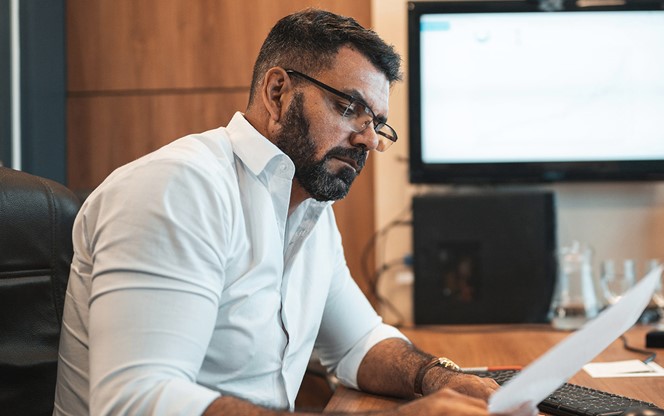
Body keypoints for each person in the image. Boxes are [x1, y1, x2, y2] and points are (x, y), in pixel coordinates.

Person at [53, 8, 536, 416]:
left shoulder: (307, 209)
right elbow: (135, 400)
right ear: (278, 93)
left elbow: (358, 343)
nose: (369, 139)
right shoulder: (178, 188)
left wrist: (436, 378)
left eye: (377, 123)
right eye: (349, 107)